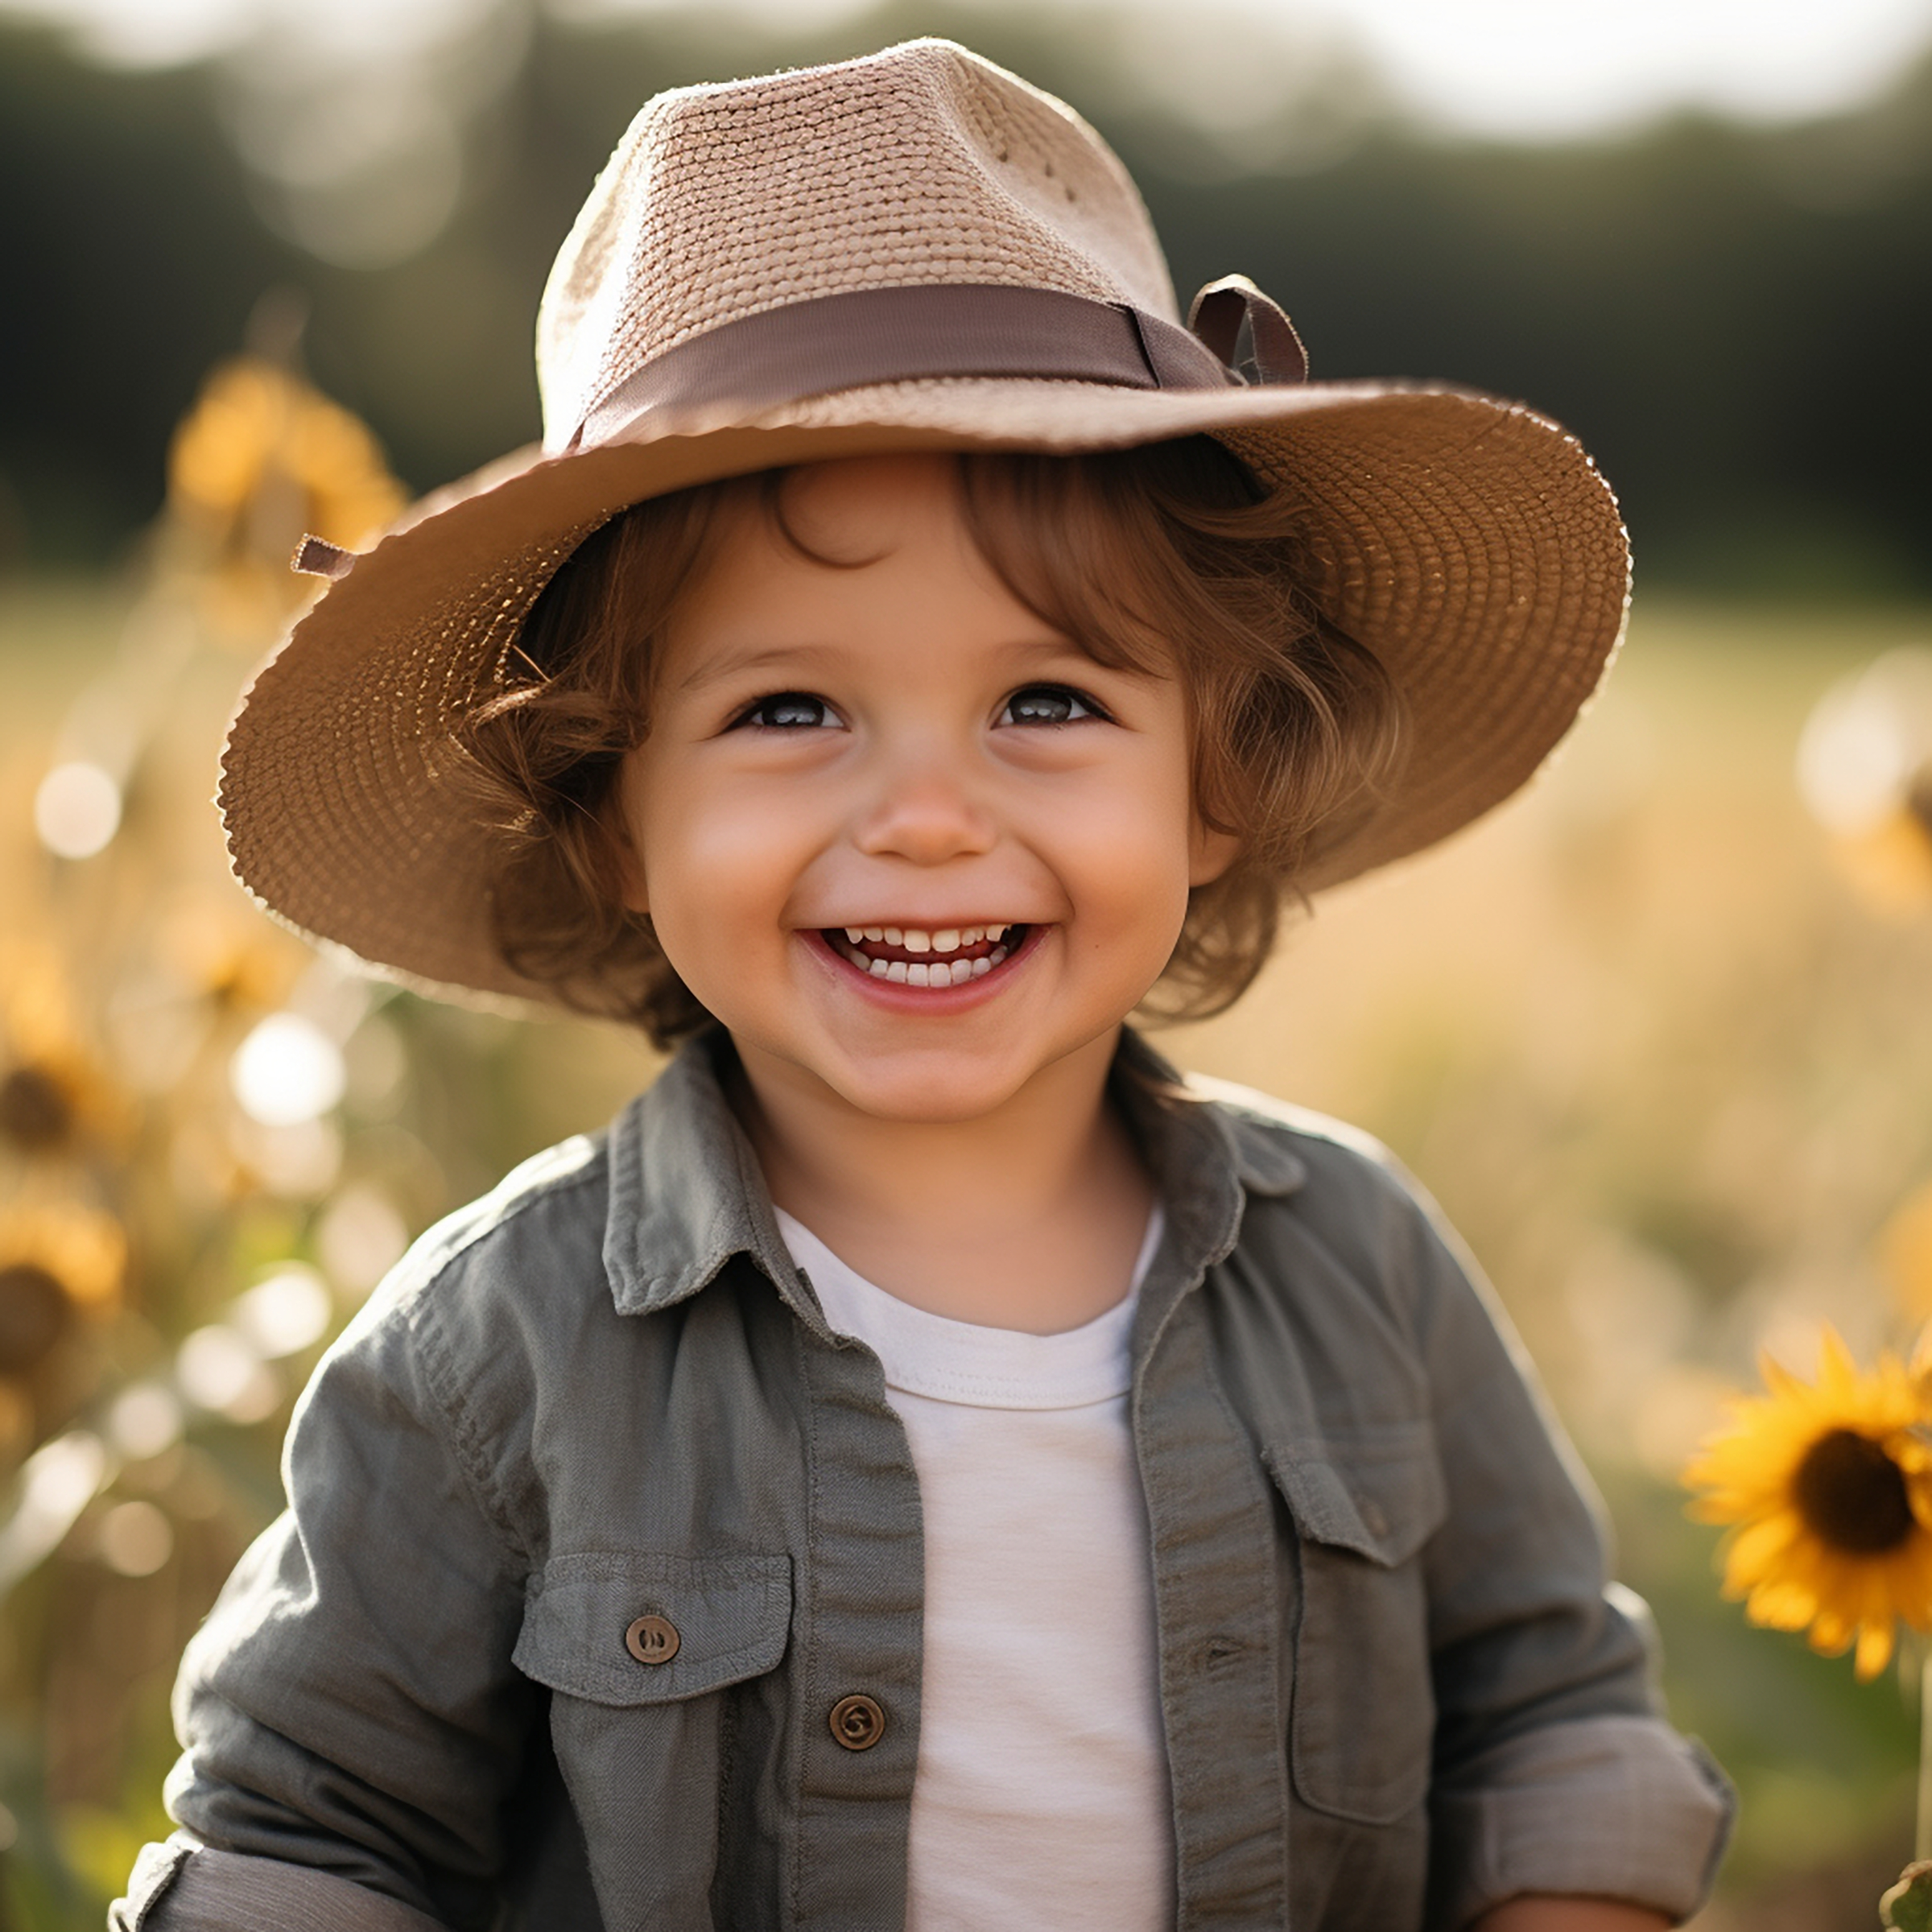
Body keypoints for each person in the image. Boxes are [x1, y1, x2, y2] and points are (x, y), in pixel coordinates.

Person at [113, 38, 1732, 1932]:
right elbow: (306, 1841)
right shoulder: (500, 1354)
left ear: (1217, 780)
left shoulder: (1362, 1270)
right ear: (612, 813)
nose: (932, 819)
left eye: (1050, 701)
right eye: (787, 709)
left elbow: (1550, 1721)